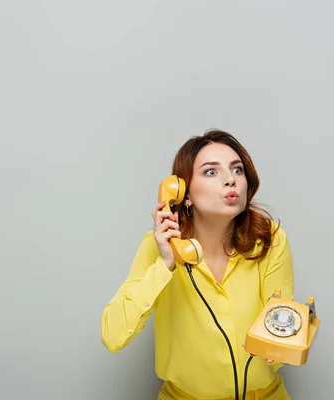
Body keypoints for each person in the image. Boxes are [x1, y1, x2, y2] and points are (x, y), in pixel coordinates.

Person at [100, 129, 294, 400]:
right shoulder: (157, 247)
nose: (230, 180)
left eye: (237, 170)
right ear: (183, 193)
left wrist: (281, 347)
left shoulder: (269, 238)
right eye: (211, 172)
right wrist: (165, 264)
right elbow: (113, 334)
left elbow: (282, 332)